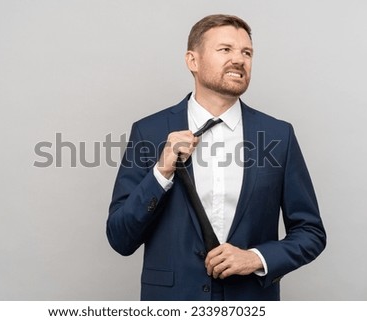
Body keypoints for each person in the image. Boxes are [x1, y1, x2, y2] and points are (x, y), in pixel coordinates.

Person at [106, 14, 326, 301]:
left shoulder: (278, 135)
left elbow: (311, 232)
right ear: (192, 61)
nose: (239, 59)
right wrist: (161, 172)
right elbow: (120, 238)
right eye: (225, 50)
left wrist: (257, 258)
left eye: (246, 52)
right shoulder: (149, 132)